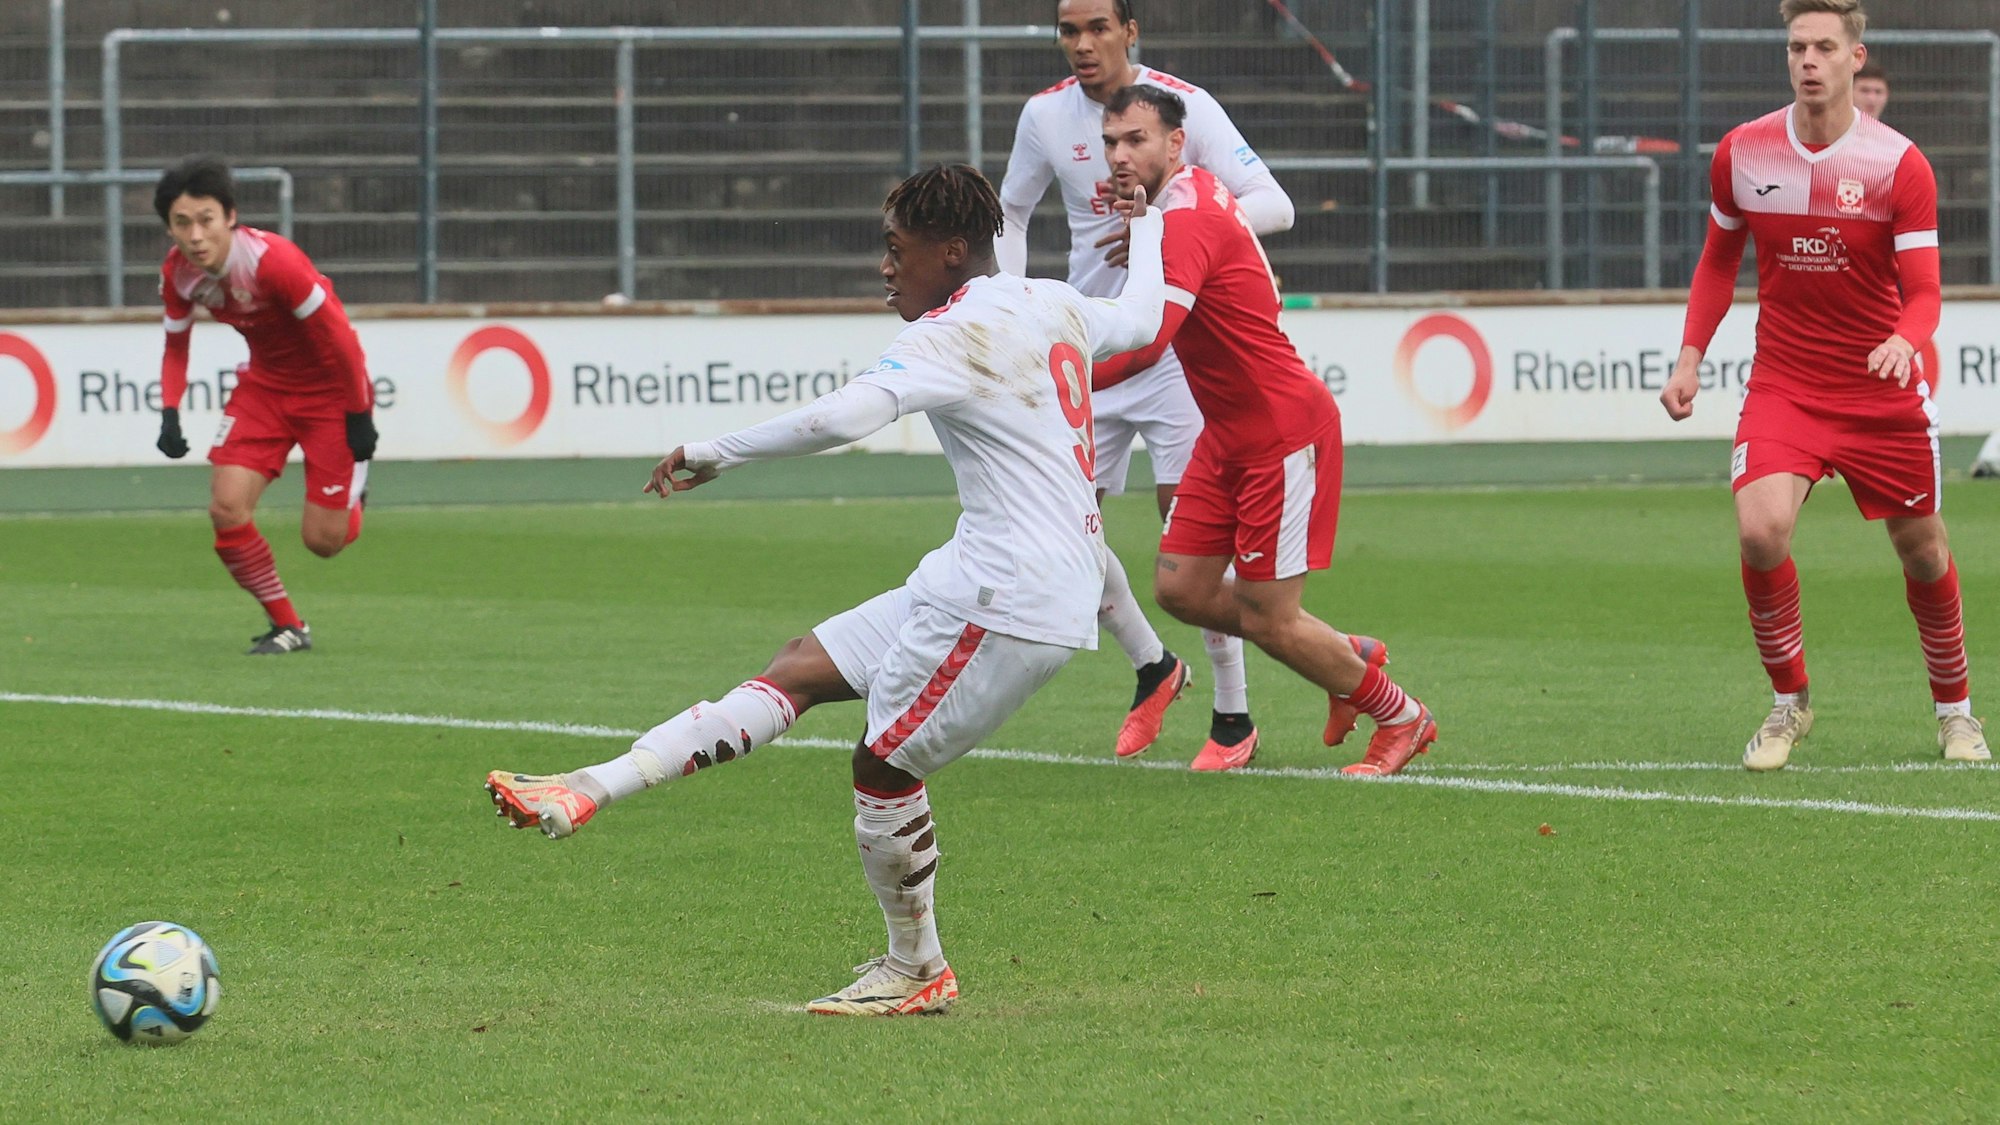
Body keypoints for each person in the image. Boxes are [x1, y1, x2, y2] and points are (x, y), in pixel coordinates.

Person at [485, 164, 1168, 1016]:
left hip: (1008, 597)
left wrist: (718, 449)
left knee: (885, 765)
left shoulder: (949, 332)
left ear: (950, 251)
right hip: (980, 570)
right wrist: (1151, 224)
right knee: (800, 667)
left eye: (897, 249)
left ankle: (917, 967)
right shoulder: (1047, 301)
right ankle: (590, 784)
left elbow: (846, 419)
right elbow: (1143, 315)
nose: (886, 267)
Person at [1660, 0, 1982, 769]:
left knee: (1925, 553)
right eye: (1797, 46)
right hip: (1787, 383)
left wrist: (1906, 340)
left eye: (1824, 47)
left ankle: (1957, 713)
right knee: (1760, 530)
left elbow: (1927, 291)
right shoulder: (1743, 151)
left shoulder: (1899, 163)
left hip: (1878, 390)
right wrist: (1689, 355)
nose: (1808, 60)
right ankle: (1788, 703)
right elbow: (1716, 260)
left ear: (1855, 58)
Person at [1090, 84, 1437, 777]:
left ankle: (1400, 713)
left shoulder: (1184, 217)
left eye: (1137, 140)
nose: (1121, 155)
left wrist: (1058, 372)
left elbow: (1153, 338)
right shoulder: (1176, 206)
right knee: (1181, 588)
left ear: (1175, 145)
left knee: (1272, 616)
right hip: (1227, 435)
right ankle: (1342, 657)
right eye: (1111, 143)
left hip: (1281, 432)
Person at [997, 0, 1297, 771]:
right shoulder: (1043, 118)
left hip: (1172, 352)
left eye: (1099, 28)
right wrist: (1009, 302)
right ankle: (1153, 665)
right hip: (1092, 346)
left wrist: (1169, 219)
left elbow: (1275, 204)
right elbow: (1013, 213)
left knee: (1187, 539)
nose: (1083, 44)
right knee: (1060, 526)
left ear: (1131, 31)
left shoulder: (1183, 107)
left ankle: (1233, 716)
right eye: (1070, 31)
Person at [151, 156, 377, 655]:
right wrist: (170, 410)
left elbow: (340, 340)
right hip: (265, 388)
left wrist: (358, 414)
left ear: (229, 216)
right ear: (169, 227)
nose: (195, 235)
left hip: (330, 394)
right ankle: (289, 627)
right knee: (226, 508)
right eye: (181, 223)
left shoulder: (274, 263)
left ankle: (353, 498)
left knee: (324, 542)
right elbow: (175, 345)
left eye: (206, 218)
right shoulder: (178, 273)